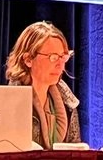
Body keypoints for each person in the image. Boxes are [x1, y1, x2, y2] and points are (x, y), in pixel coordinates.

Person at [5, 21, 82, 149]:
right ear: (28, 59)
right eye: (53, 57)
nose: (60, 65)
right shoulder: (9, 103)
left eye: (63, 57)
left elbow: (76, 151)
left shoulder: (68, 104)